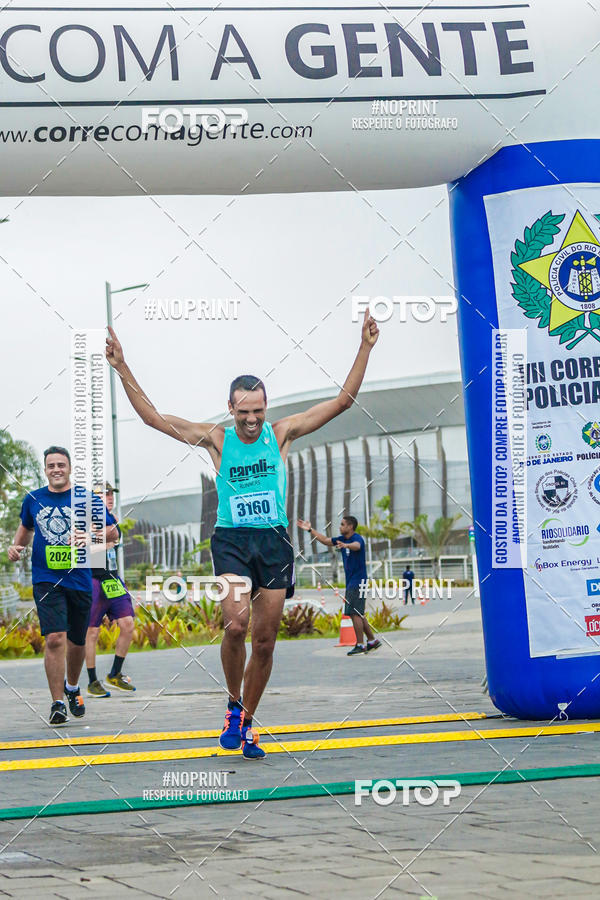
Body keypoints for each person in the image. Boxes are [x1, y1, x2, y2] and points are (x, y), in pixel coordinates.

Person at [105, 309, 379, 759]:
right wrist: (122, 366)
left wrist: (364, 347)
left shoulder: (282, 432)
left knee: (265, 642)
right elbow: (153, 418)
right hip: (232, 540)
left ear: (265, 409)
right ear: (230, 408)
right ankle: (233, 705)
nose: (252, 420)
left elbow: (342, 402)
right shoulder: (215, 438)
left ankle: (247, 720)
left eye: (258, 411)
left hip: (273, 541)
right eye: (244, 412)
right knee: (235, 624)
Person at [7, 447, 119, 725]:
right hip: (46, 579)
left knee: (77, 642)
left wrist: (90, 534)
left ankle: (72, 687)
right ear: (45, 470)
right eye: (51, 465)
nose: (56, 469)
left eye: (61, 465)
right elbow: (26, 526)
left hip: (79, 579)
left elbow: (113, 531)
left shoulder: (86, 498)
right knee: (55, 637)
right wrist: (16, 545)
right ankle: (57, 702)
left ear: (69, 468)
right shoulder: (33, 498)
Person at [298, 515, 381, 656]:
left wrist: (347, 546)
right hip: (352, 581)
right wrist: (310, 529)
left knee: (354, 613)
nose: (340, 526)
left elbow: (357, 546)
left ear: (350, 527)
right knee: (358, 612)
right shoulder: (341, 539)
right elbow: (325, 540)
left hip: (357, 581)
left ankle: (360, 645)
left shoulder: (356, 538)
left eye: (342, 524)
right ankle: (372, 641)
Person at [86, 481, 137, 697]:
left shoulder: (113, 518)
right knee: (92, 631)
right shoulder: (86, 517)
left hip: (112, 579)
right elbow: (85, 542)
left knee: (128, 624)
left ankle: (115, 673)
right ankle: (92, 681)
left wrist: (106, 535)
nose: (110, 497)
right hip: (93, 578)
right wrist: (103, 536)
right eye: (105, 494)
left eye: (111, 493)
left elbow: (111, 538)